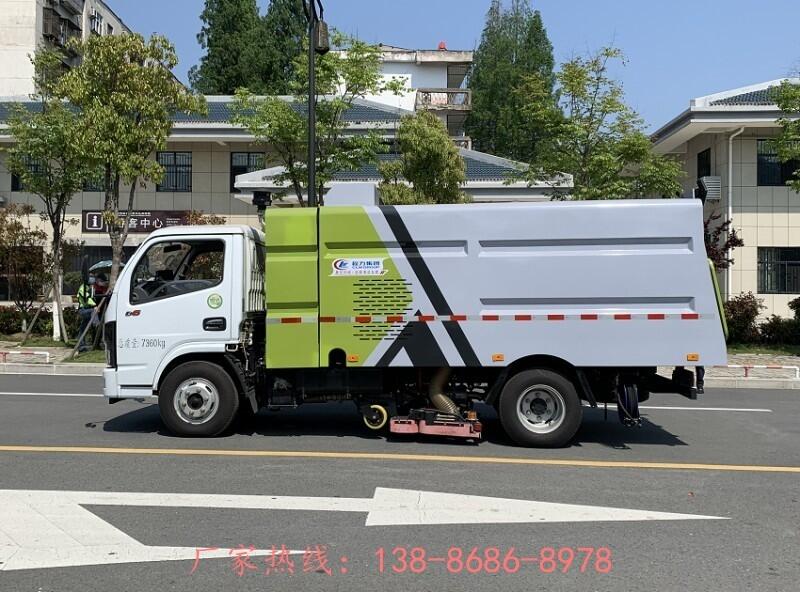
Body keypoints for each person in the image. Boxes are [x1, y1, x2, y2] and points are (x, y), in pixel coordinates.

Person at [76, 276, 97, 353]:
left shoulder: (88, 288)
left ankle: (81, 346)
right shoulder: (83, 288)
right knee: (93, 311)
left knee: (83, 329)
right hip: (83, 310)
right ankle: (96, 324)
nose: (93, 285)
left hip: (87, 309)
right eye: (92, 284)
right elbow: (87, 299)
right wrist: (95, 306)